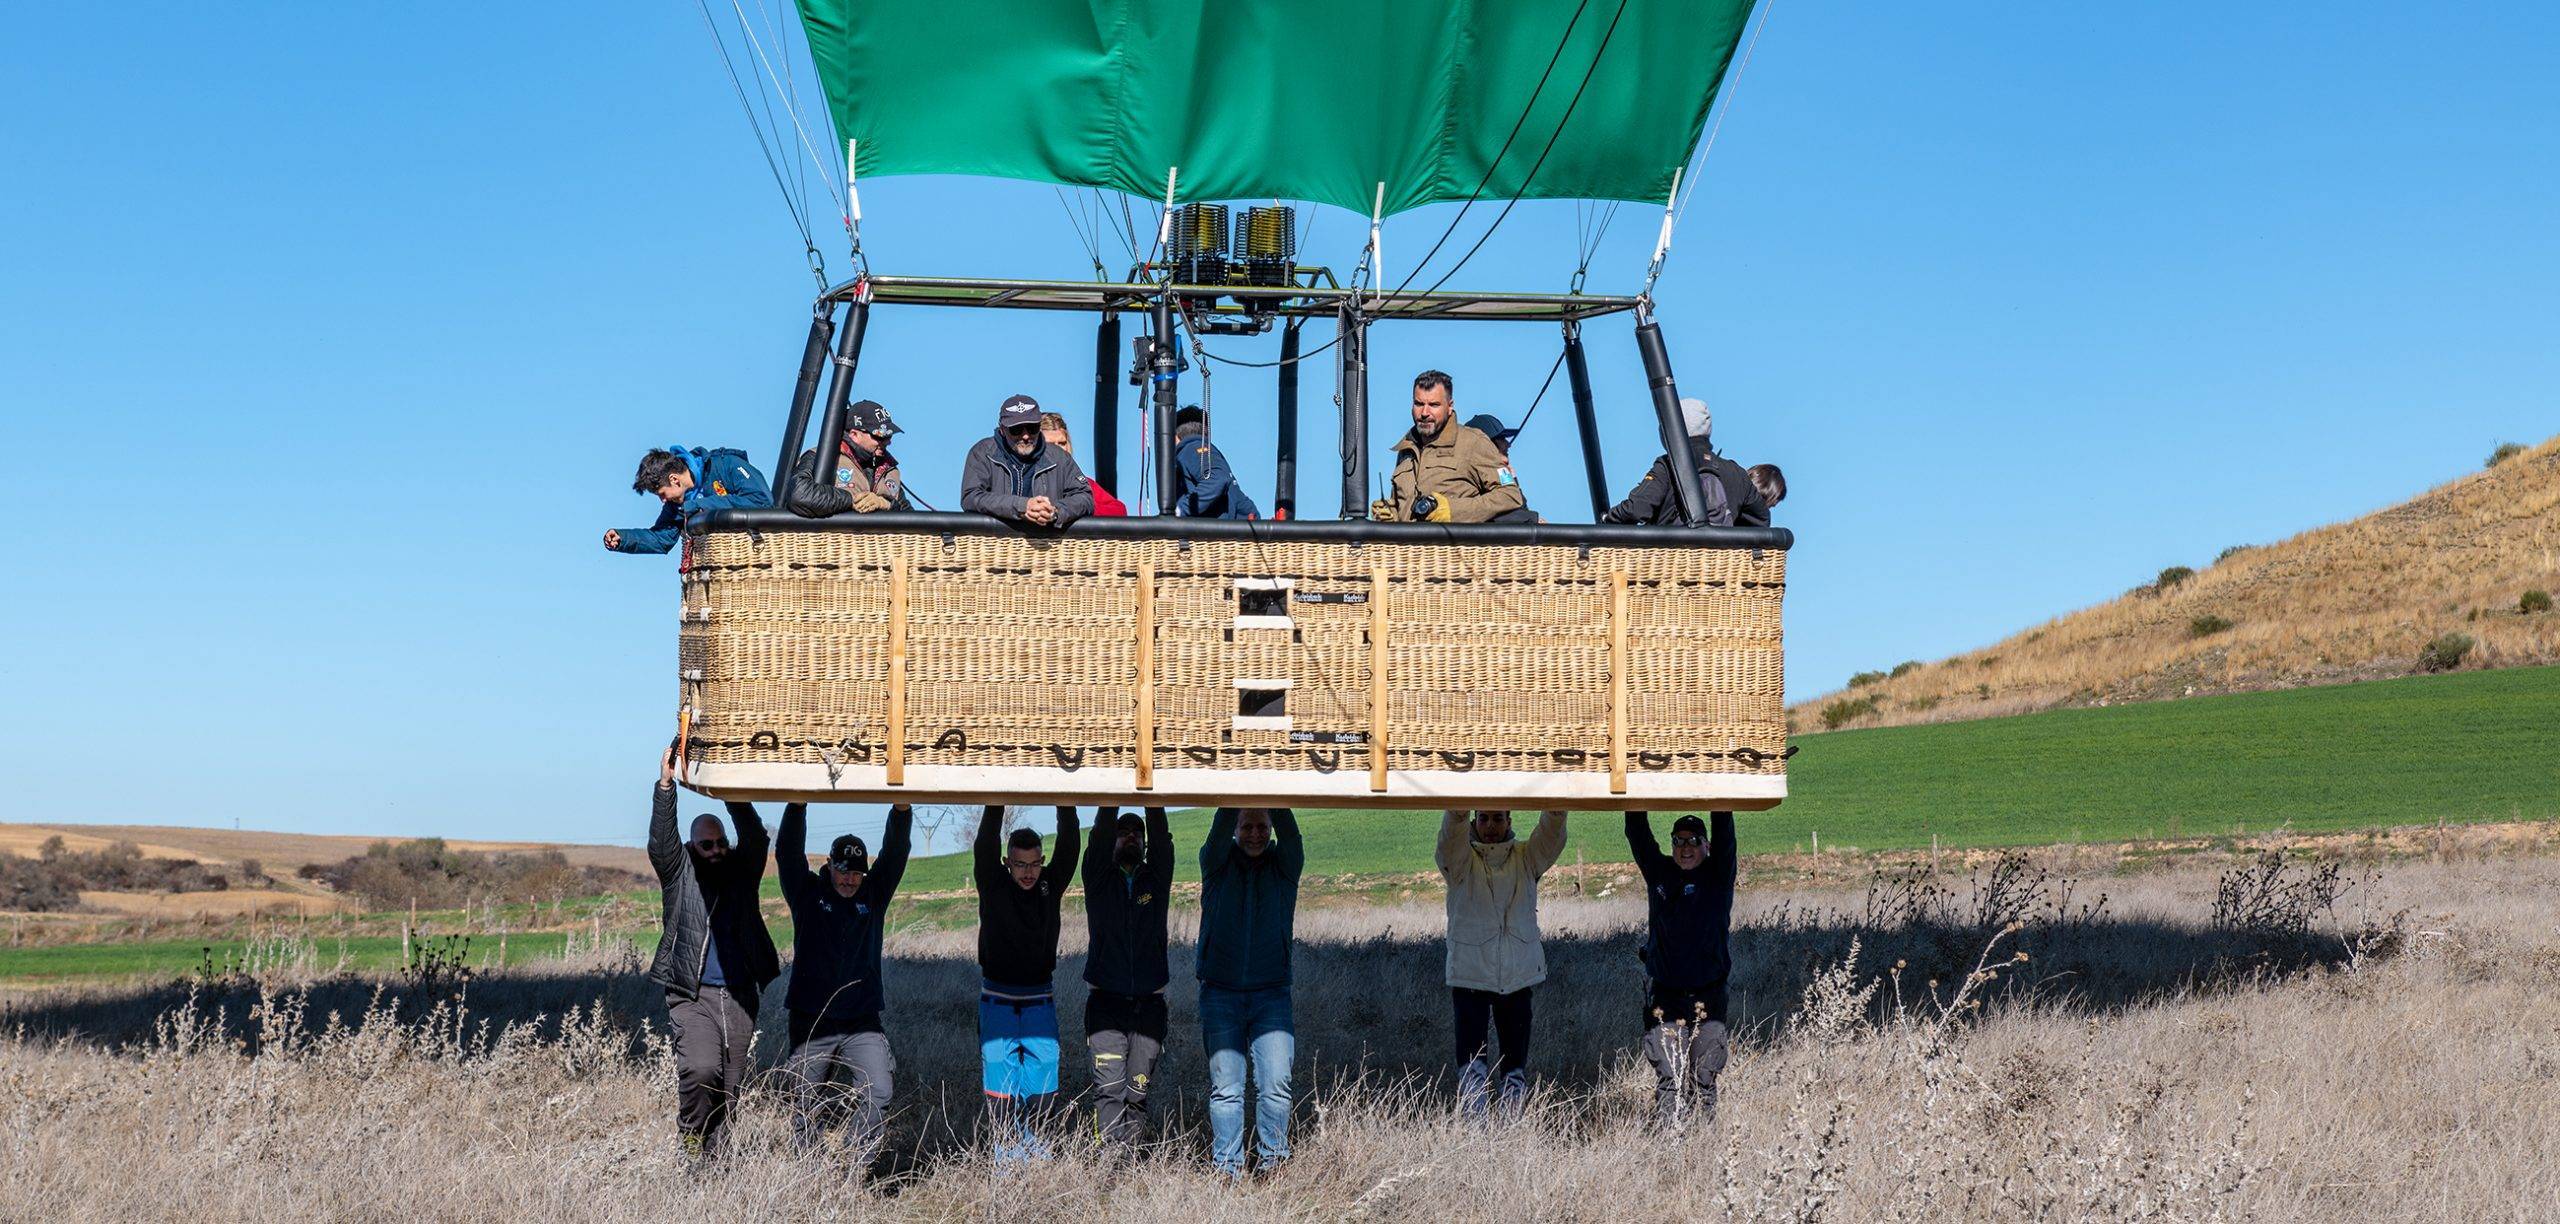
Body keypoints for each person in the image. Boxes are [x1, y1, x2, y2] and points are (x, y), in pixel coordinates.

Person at [645, 743, 780, 1160]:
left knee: (730, 1090)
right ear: (692, 847)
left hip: (739, 996)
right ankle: (690, 1140)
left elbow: (755, 837)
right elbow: (661, 842)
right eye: (707, 844)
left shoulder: (742, 871)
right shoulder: (678, 873)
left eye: (721, 842)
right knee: (701, 1069)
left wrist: (729, 787)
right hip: (692, 994)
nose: (717, 849)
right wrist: (666, 786)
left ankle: (714, 1165)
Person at [774, 802, 913, 1161]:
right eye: (843, 871)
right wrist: (797, 805)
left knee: (879, 1090)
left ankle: (854, 1163)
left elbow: (895, 855)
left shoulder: (874, 896)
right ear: (830, 865)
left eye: (857, 873)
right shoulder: (806, 893)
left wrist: (901, 812)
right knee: (805, 1098)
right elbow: (788, 852)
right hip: (811, 1018)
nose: (850, 879)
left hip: (861, 1020)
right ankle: (810, 1168)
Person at [1436, 809, 1568, 1118]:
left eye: (1498, 819)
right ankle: (1475, 1128)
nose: (1491, 827)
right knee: (1472, 1063)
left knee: (1515, 1064)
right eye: (1483, 819)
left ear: (1509, 821)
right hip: (1471, 976)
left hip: (1517, 976)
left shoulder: (1526, 858)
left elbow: (1551, 834)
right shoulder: (1459, 861)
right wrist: (1456, 810)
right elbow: (1450, 839)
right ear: (1473, 821)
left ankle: (1512, 1124)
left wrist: (1557, 804)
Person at [1196, 807, 1304, 1176]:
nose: (1255, 834)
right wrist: (1239, 788)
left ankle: (1273, 1164)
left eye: (1262, 826)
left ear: (1271, 827)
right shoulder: (1216, 864)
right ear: (1234, 828)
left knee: (1275, 1084)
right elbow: (1219, 825)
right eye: (1246, 826)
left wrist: (1272, 790)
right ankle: (1227, 1168)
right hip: (1220, 993)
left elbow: (1291, 834)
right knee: (1227, 1089)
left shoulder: (1285, 867)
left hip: (1271, 995)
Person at [972, 805, 1082, 1159]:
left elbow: (1070, 843)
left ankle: (1038, 1156)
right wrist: (997, 800)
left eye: (1034, 864)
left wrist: (1064, 801)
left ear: (1042, 861)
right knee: (1001, 1085)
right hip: (997, 1000)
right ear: (1007, 862)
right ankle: (1006, 1161)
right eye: (1020, 864)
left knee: (1043, 1084)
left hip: (1039, 1000)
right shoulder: (992, 882)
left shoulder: (1051, 884)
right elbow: (985, 840)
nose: (1028, 872)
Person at [1625, 810, 1739, 1128]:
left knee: (1704, 1077)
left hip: (1708, 996)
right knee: (1670, 1077)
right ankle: (1669, 1144)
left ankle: (1703, 1143)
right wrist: (1633, 795)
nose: (1685, 848)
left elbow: (1724, 827)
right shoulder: (1659, 873)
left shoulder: (1718, 876)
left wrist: (1721, 796)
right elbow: (1637, 832)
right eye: (1678, 841)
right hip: (1666, 995)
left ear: (1707, 846)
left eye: (1693, 841)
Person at [1080, 807, 1174, 1144]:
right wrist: (1115, 793)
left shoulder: (1156, 878)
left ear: (1146, 843)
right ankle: (1110, 1162)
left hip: (1149, 1005)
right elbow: (1099, 834)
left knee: (1137, 1092)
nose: (1131, 836)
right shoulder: (1098, 877)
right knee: (1109, 1090)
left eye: (1138, 832)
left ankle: (1130, 1158)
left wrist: (1153, 799)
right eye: (1123, 832)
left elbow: (1162, 838)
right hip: (1106, 1004)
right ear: (1111, 840)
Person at [1370, 371, 1525, 523]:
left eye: (1434, 405)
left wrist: (1454, 511)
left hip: (1454, 541)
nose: (1424, 412)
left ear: (1450, 406)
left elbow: (1510, 495)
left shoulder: (1474, 442)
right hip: (1407, 541)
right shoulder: (1407, 449)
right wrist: (1390, 516)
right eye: (1419, 404)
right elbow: (1404, 510)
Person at [1600, 398, 1768, 529]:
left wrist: (1608, 519)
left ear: (1670, 429)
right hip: (1721, 562)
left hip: (1670, 561)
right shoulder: (1737, 473)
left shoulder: (1667, 466)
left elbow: (1637, 509)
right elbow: (1761, 519)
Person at [959, 394, 1097, 528]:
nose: (1025, 436)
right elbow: (971, 497)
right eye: (1016, 429)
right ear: (1002, 430)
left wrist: (1054, 512)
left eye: (1032, 428)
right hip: (995, 541)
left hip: (1046, 541)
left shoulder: (1060, 458)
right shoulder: (983, 453)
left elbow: (1084, 497)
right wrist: (1022, 506)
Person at [606, 446, 775, 554]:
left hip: (756, 553)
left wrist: (699, 506)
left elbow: (761, 501)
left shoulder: (727, 465)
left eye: (662, 494)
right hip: (715, 572)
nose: (663, 501)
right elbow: (661, 539)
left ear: (674, 479)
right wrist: (623, 538)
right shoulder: (676, 504)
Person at [786, 399, 909, 518]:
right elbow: (799, 495)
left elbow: (910, 519)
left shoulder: (888, 469)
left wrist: (886, 504)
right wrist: (852, 500)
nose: (888, 442)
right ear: (854, 434)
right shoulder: (819, 456)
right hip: (832, 533)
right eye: (880, 436)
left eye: (889, 436)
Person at [1171, 406, 1260, 520]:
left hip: (1231, 529)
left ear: (1175, 436)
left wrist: (1180, 509)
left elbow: (1218, 478)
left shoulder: (1191, 448)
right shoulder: (1201, 450)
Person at [1038, 412, 1127, 516]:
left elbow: (1119, 510)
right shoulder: (1026, 482)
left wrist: (1081, 507)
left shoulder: (1083, 483)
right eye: (1051, 444)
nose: (1058, 449)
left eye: (1062, 443)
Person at [1461, 413, 1541, 524]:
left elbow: (1517, 508)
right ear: (1486, 445)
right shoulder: (1471, 479)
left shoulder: (1503, 473)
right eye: (1502, 439)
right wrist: (1532, 519)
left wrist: (1511, 480)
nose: (1508, 444)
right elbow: (1491, 515)